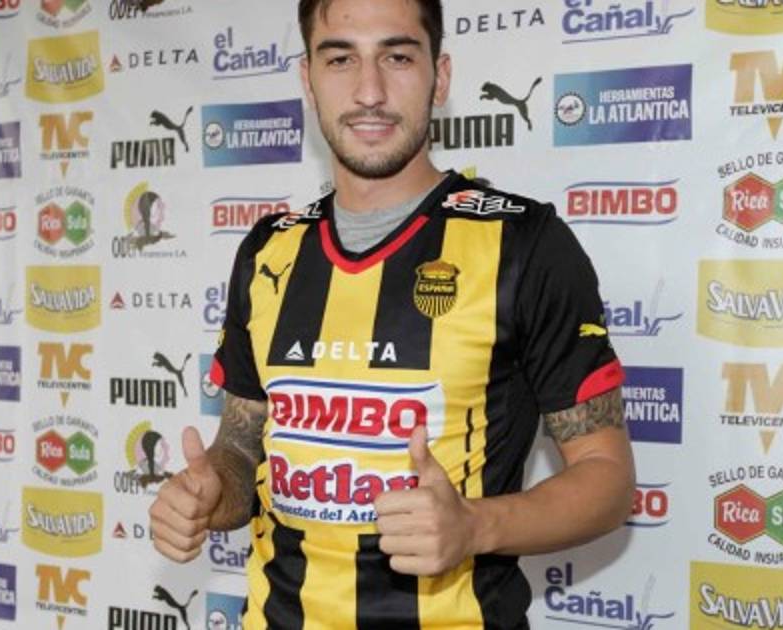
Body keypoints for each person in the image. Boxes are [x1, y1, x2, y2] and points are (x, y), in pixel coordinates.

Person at [148, 0, 636, 626]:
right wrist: (211, 493)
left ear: (441, 76)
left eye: (398, 57)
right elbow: (241, 451)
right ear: (307, 80)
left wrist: (475, 525)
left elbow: (606, 477)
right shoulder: (269, 250)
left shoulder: (524, 243)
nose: (370, 92)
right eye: (340, 59)